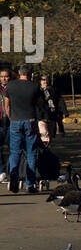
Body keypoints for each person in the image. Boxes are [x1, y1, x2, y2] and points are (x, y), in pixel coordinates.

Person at [4, 63, 41, 192]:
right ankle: (30, 184)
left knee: (15, 152)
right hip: (30, 120)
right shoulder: (35, 86)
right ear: (31, 74)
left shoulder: (10, 86)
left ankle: (13, 176)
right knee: (31, 152)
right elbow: (39, 104)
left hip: (15, 120)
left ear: (19, 73)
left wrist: (11, 118)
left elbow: (7, 105)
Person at [0, 64, 10, 183]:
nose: (4, 79)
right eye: (2, 76)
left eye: (6, 76)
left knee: (14, 149)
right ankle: (2, 172)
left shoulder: (13, 88)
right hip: (0, 122)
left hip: (11, 122)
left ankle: (11, 171)